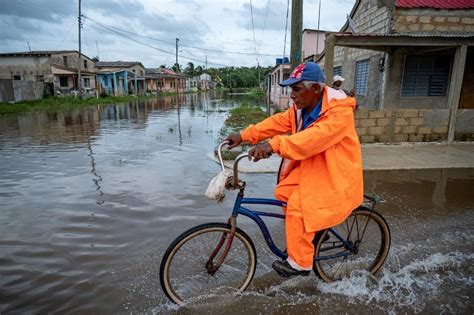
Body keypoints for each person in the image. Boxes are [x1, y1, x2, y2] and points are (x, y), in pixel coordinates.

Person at [225, 62, 363, 278]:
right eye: (291, 89)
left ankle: (301, 263)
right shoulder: (301, 110)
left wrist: (274, 145)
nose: (292, 95)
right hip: (313, 166)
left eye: (297, 89)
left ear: (315, 89)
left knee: (299, 205)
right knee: (283, 192)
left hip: (334, 170)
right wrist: (244, 136)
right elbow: (277, 122)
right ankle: (313, 230)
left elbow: (313, 138)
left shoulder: (339, 113)